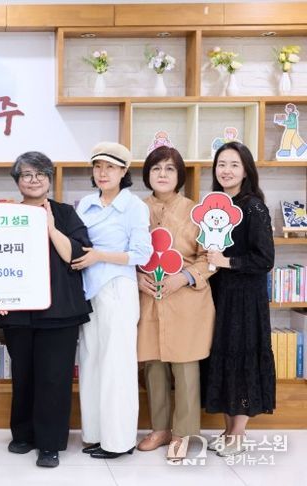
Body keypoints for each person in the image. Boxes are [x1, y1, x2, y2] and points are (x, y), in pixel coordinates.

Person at [0, 151, 93, 468]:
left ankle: (49, 444)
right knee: (23, 375)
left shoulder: (65, 213)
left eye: (40, 174)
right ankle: (23, 434)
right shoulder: (6, 214)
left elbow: (77, 255)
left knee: (54, 378)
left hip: (59, 310)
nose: (33, 180)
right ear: (17, 181)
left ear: (49, 179)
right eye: (26, 174)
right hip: (17, 311)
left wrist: (50, 227)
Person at [72, 142, 152, 459]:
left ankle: (119, 441)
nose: (102, 173)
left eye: (110, 167)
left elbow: (141, 254)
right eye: (97, 166)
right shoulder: (86, 204)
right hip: (88, 291)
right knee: (90, 362)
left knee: (117, 365)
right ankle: (95, 434)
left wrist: (100, 256)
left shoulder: (134, 206)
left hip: (117, 289)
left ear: (123, 171)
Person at [135, 146, 215, 460]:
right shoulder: (136, 209)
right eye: (156, 168)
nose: (163, 174)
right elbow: (124, 254)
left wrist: (184, 277)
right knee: (153, 366)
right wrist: (135, 277)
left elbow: (210, 259)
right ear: (147, 175)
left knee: (185, 368)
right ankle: (160, 429)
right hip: (148, 297)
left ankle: (183, 433)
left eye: (170, 169)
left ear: (180, 175)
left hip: (186, 299)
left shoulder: (197, 212)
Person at [204, 141, 276, 457]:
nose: (226, 170)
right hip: (220, 294)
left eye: (234, 164)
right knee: (223, 360)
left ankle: (239, 433)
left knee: (243, 360)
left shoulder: (254, 207)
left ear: (246, 170)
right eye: (221, 164)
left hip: (246, 299)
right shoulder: (216, 205)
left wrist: (227, 261)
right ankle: (227, 429)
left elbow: (265, 259)